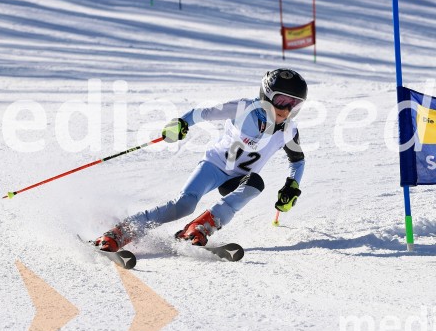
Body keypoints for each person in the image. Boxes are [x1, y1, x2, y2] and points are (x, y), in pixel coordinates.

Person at [92, 69, 308, 251]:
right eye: (282, 100)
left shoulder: (288, 131)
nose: (287, 110)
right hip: (214, 166)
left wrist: (292, 184)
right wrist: (181, 123)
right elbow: (201, 114)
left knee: (255, 184)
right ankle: (120, 232)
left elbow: (297, 161)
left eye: (295, 105)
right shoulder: (243, 109)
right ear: (266, 95)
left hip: (238, 179)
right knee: (184, 205)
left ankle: (200, 227)